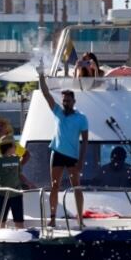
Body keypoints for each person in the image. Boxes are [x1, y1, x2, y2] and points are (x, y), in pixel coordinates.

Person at [37, 70, 90, 225]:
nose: (65, 103)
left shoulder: (81, 118)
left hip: (72, 156)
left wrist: (81, 161)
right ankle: (52, 218)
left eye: (68, 100)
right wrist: (41, 76)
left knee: (77, 187)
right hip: (57, 153)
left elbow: (85, 141)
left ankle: (80, 219)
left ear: (74, 101)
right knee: (55, 186)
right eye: (64, 100)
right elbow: (46, 94)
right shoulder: (58, 112)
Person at [0, 126, 31, 229]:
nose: (16, 147)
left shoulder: (16, 159)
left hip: (16, 194)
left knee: (19, 220)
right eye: (14, 146)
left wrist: (28, 182)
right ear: (8, 147)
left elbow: (19, 174)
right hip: (2, 194)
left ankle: (20, 235)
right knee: (1, 220)